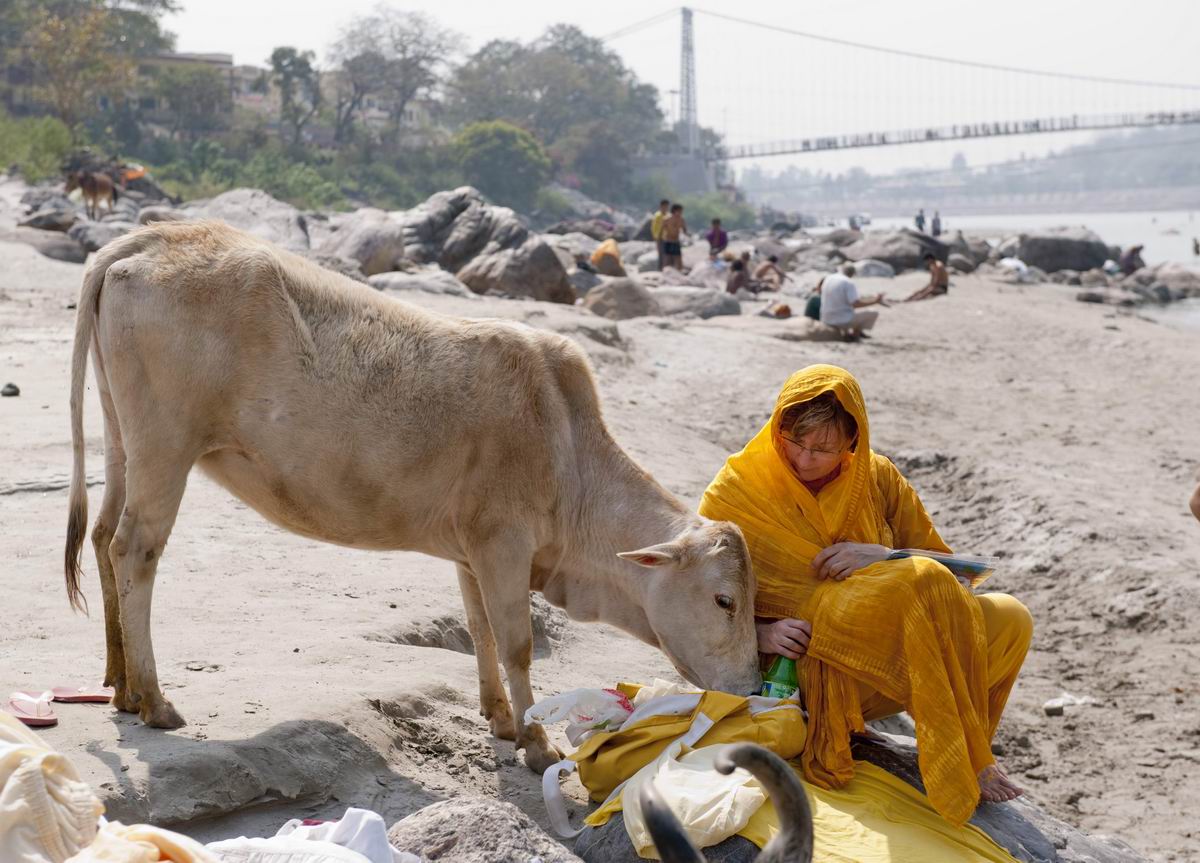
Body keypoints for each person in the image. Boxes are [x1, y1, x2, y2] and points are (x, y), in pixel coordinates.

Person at [699, 365, 1033, 824]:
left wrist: (885, 555)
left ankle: (960, 746)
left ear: (853, 444)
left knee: (1009, 617)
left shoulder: (877, 478)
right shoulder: (736, 490)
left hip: (876, 668)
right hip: (791, 674)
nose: (803, 459)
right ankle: (970, 760)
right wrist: (761, 633)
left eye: (823, 449)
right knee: (917, 580)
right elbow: (695, 595)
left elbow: (953, 581)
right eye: (793, 441)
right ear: (777, 426)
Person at [819, 264, 886, 339]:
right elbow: (855, 304)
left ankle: (846, 333)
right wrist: (875, 301)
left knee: (845, 309)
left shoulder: (829, 278)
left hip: (825, 318)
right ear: (852, 274)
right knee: (873, 312)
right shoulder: (848, 282)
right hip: (841, 320)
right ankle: (855, 336)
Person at [661, 204, 688, 272]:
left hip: (676, 241)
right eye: (680, 211)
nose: (681, 213)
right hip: (668, 240)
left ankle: (679, 272)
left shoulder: (681, 219)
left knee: (678, 257)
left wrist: (687, 235)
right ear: (675, 211)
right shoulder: (666, 219)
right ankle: (665, 271)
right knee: (667, 257)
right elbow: (662, 229)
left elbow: (684, 229)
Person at [651, 199, 670, 270]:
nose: (666, 208)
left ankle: (666, 267)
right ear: (661, 206)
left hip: (667, 237)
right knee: (661, 253)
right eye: (665, 206)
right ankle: (660, 268)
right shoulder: (657, 215)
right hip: (659, 237)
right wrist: (655, 236)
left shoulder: (668, 215)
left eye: (667, 206)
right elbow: (653, 227)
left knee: (667, 253)